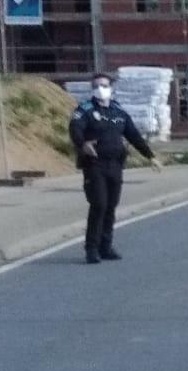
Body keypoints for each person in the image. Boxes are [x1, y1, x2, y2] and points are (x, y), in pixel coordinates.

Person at [67, 71, 163, 263]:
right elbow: (75, 129)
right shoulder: (84, 110)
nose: (100, 89)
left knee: (111, 207)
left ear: (111, 88)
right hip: (95, 165)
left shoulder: (119, 112)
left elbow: (133, 135)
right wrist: (83, 144)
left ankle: (106, 246)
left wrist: (150, 156)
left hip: (115, 165)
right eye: (96, 86)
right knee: (99, 204)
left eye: (104, 85)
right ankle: (91, 248)